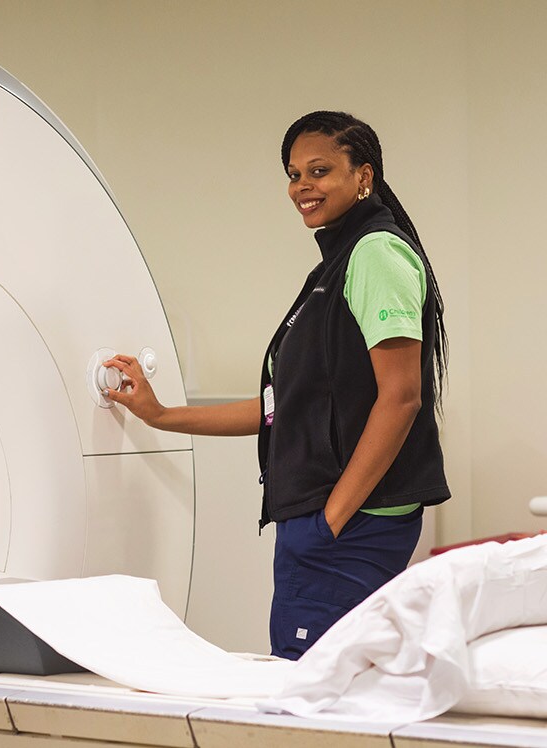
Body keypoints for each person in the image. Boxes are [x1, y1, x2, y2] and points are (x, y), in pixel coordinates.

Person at [102, 111, 451, 660]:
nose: (302, 188)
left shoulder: (375, 253)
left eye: (319, 170)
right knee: (323, 689)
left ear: (364, 176)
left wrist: (331, 520)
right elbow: (278, 409)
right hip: (325, 523)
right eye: (294, 174)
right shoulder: (334, 265)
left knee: (311, 694)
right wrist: (162, 415)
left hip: (350, 526)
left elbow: (402, 397)